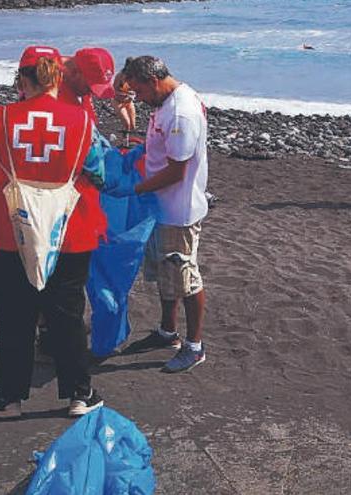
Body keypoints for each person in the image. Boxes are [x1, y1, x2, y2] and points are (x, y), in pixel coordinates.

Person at [0, 45, 108, 418]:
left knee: (13, 316)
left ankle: (8, 397)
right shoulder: (81, 122)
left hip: (7, 229)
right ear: (58, 77)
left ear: (21, 79)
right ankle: (80, 393)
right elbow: (99, 174)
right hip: (67, 230)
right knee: (67, 313)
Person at [118, 56, 209, 373]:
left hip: (178, 210)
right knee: (165, 273)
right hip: (161, 206)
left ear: (153, 81)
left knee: (185, 277)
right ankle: (167, 332)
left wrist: (136, 190)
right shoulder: (165, 100)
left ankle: (194, 346)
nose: (138, 99)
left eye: (139, 91)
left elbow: (176, 173)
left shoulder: (180, 113)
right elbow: (161, 148)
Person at [60, 47, 116, 124]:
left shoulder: (78, 85)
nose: (92, 93)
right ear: (75, 72)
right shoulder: (45, 86)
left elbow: (90, 122)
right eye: (89, 87)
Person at [112, 63, 137, 135]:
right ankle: (125, 140)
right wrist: (125, 94)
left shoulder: (133, 77)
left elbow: (136, 89)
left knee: (133, 125)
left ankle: (130, 142)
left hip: (128, 101)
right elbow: (113, 91)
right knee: (127, 124)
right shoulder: (119, 76)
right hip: (118, 101)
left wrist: (133, 94)